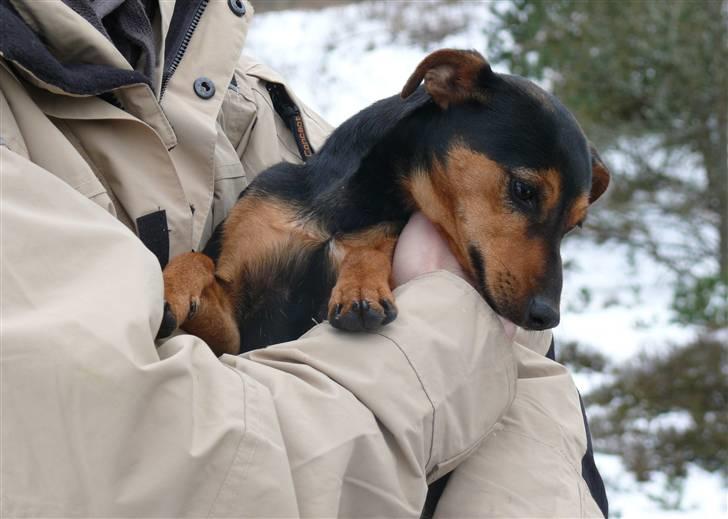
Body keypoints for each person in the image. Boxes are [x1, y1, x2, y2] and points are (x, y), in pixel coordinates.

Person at [0, 1, 608, 517]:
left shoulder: (246, 93)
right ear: (442, 84)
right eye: (522, 193)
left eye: (565, 230)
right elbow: (162, 460)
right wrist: (450, 315)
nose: (544, 290)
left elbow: (539, 402)